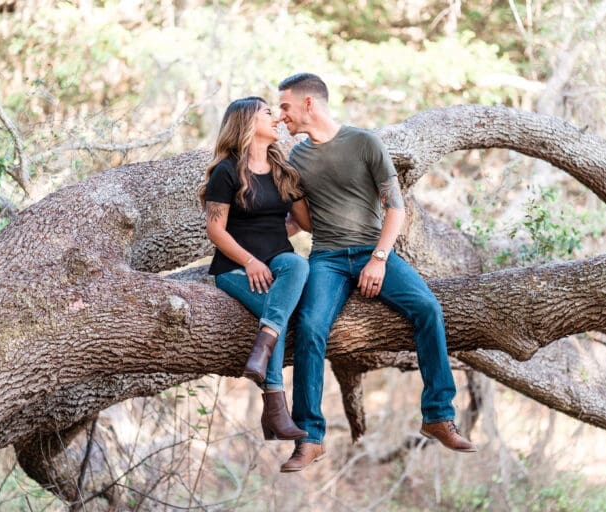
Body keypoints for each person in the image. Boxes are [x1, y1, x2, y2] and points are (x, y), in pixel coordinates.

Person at [276, 73, 477, 472]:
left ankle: (438, 414)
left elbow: (395, 208)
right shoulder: (295, 159)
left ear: (309, 104)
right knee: (312, 327)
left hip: (375, 250)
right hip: (328, 258)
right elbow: (305, 223)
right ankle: (310, 437)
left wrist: (380, 258)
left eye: (285, 106)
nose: (282, 116)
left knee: (428, 309)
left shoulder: (365, 143)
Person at [198, 96, 312, 441]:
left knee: (296, 263)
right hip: (234, 270)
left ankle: (263, 347)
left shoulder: (282, 170)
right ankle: (275, 408)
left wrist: (304, 186)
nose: (276, 118)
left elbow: (305, 223)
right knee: (281, 318)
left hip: (278, 263)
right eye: (267, 112)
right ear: (248, 122)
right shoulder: (227, 171)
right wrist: (248, 261)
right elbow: (215, 230)